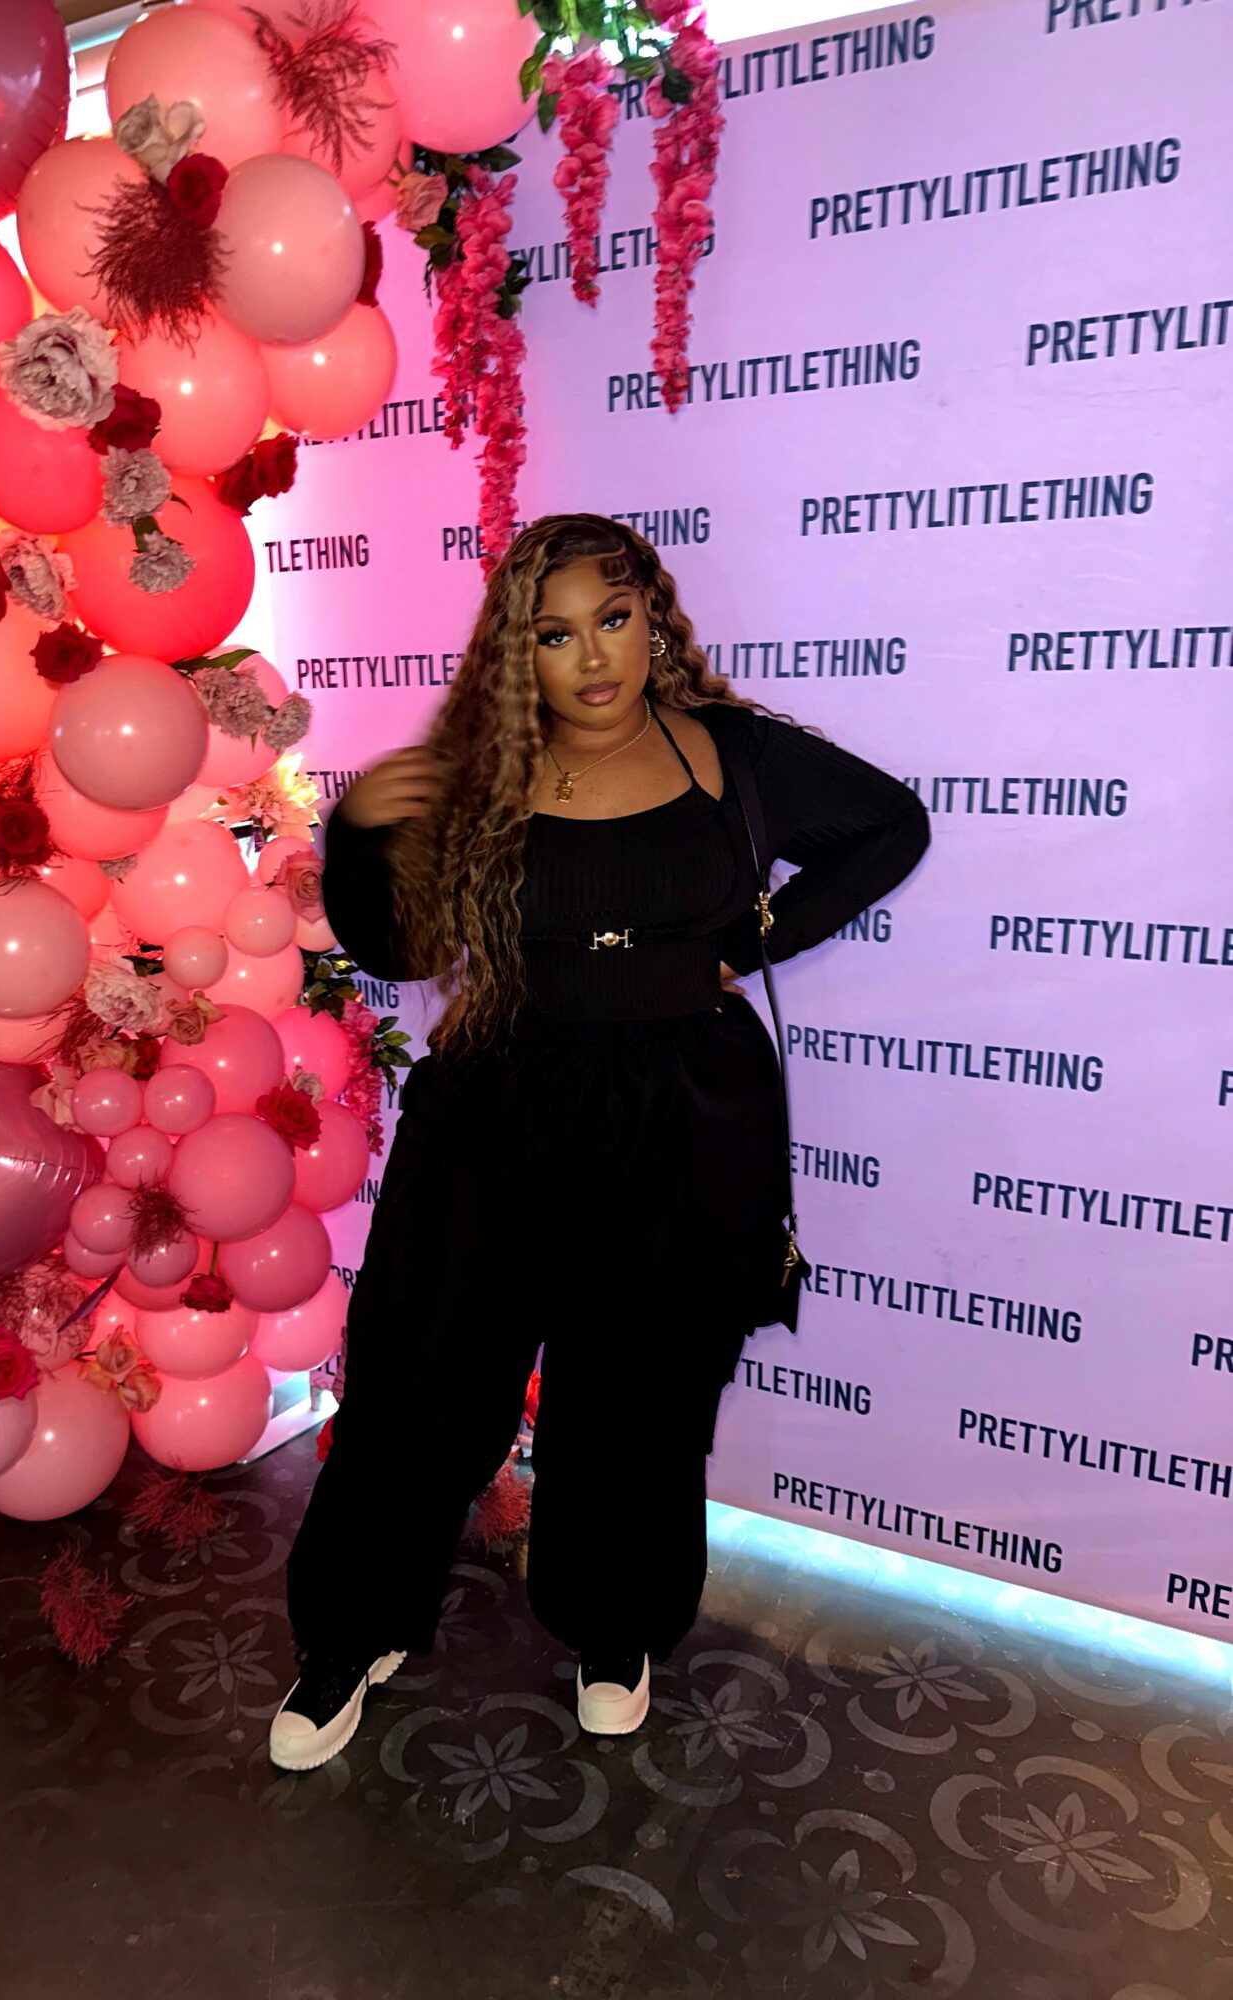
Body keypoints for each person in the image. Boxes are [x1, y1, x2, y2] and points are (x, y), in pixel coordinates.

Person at [269, 513, 929, 1773]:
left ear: (652, 620)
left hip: (686, 1109)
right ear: (517, 652)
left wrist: (751, 942)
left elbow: (889, 824)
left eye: (613, 620)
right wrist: (358, 841)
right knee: (423, 1373)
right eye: (555, 633)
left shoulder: (730, 751)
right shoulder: (472, 770)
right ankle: (352, 1629)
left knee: (639, 1388)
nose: (592, 657)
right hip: (498, 1101)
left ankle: (615, 1625)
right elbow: (399, 949)